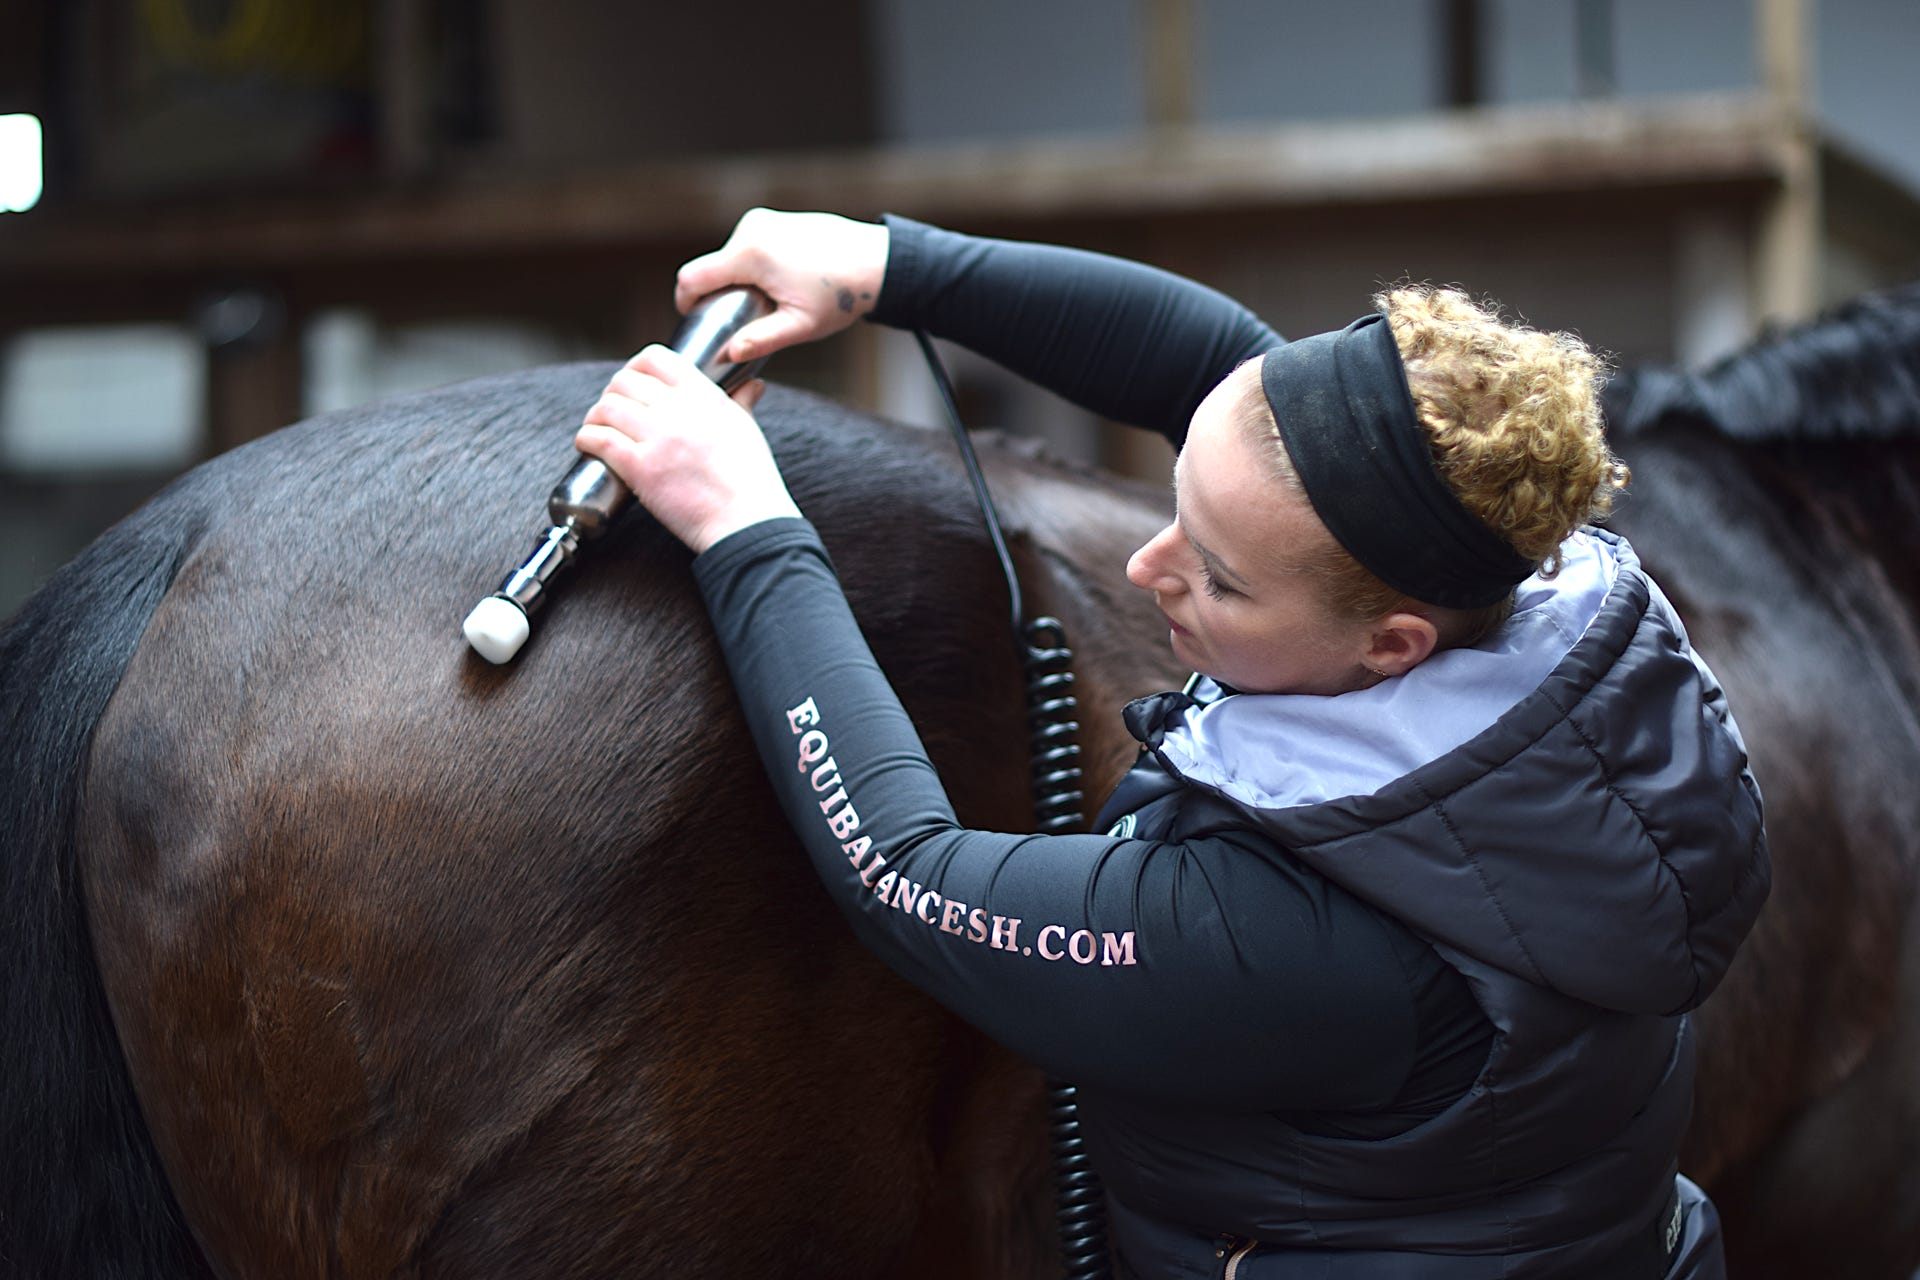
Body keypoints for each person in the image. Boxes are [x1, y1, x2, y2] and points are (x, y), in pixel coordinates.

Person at [573, 209, 1768, 1279]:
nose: (1152, 566)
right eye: (1173, 506)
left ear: (1393, 645)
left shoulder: (1307, 935)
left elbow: (906, 871)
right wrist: (888, 265)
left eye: (1222, 578)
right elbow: (1219, 364)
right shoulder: (1520, 574)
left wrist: (744, 521)